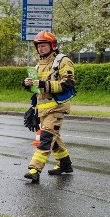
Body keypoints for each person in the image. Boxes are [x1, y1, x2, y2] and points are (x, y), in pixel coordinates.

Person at [23, 30, 76, 182]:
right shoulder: (38, 65)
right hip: (42, 109)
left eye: (43, 45)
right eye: (38, 46)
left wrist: (43, 84)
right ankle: (65, 165)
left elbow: (68, 84)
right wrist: (27, 85)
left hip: (57, 107)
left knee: (46, 138)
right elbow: (37, 90)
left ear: (52, 46)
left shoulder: (63, 61)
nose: (40, 48)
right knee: (54, 139)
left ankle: (34, 169)